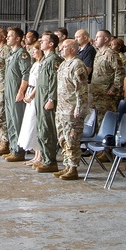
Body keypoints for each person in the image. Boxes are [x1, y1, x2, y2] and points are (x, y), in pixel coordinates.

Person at [54, 39, 89, 181]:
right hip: (61, 108)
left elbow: (81, 90)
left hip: (72, 110)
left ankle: (73, 168)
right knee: (63, 138)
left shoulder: (77, 65)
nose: (61, 49)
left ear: (73, 49)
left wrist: (79, 107)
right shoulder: (63, 64)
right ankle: (67, 165)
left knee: (72, 139)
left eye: (64, 47)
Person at [34, 32, 62, 173]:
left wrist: (52, 98)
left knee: (47, 130)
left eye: (44, 40)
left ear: (51, 44)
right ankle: (44, 159)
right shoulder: (45, 59)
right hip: (40, 98)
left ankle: (50, 161)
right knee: (41, 129)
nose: (41, 42)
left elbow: (54, 82)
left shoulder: (54, 60)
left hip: (47, 99)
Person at [2, 27, 31, 163]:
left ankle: (19, 151)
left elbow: (26, 74)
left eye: (10, 36)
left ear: (18, 38)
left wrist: (21, 91)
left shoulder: (22, 54)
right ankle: (13, 148)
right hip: (8, 91)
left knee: (17, 120)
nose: (7, 38)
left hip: (16, 91)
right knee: (10, 121)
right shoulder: (11, 54)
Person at [90, 29, 123, 128]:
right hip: (96, 93)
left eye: (98, 37)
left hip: (106, 95)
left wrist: (114, 88)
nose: (95, 39)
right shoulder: (98, 53)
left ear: (105, 39)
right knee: (95, 122)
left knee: (105, 122)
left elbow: (120, 71)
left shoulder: (111, 54)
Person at [18, 43, 42, 167]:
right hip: (30, 95)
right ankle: (36, 155)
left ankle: (40, 156)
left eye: (35, 50)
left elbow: (40, 84)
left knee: (36, 125)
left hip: (36, 96)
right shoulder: (35, 64)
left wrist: (30, 96)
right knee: (31, 126)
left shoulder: (42, 65)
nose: (33, 52)